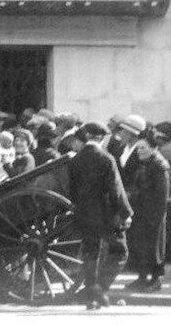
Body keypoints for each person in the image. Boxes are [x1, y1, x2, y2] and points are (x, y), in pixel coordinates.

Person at [67, 121, 132, 310]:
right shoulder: (106, 158)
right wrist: (126, 212)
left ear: (87, 137)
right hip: (106, 215)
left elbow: (72, 190)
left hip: (84, 214)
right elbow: (116, 190)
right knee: (120, 252)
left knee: (90, 253)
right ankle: (99, 289)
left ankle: (91, 296)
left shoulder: (76, 159)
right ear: (101, 138)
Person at [124, 131, 168, 291]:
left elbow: (161, 196)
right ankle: (142, 278)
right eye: (138, 148)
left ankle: (155, 280)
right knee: (141, 247)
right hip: (141, 213)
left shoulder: (159, 166)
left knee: (154, 249)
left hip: (152, 215)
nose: (139, 151)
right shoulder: (146, 163)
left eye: (143, 148)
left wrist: (154, 218)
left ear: (153, 148)